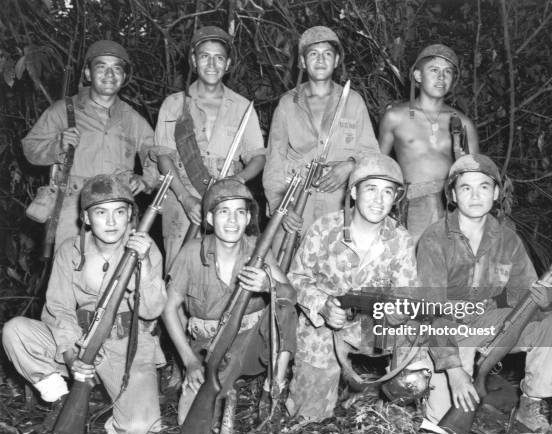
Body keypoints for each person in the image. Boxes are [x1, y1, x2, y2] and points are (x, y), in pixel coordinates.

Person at [2, 174, 167, 434]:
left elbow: (152, 310)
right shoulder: (70, 250)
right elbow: (59, 308)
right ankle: (61, 399)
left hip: (126, 343)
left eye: (120, 212)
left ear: (130, 216)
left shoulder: (145, 248)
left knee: (140, 429)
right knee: (15, 331)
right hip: (80, 338)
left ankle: (113, 409)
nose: (112, 222)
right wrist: (71, 355)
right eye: (101, 212)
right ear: (87, 218)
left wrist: (144, 265)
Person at [417, 154, 552, 433]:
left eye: (483, 187)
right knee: (439, 426)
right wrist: (455, 371)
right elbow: (429, 312)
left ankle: (530, 404)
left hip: (487, 322)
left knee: (550, 325)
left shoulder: (508, 239)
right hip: (443, 332)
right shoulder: (434, 239)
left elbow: (527, 293)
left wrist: (547, 301)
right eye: (465, 188)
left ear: (496, 193)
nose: (475, 196)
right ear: (453, 195)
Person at [286, 152, 428, 421]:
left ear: (395, 198)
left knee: (415, 374)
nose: (378, 199)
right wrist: (323, 306)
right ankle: (332, 394)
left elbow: (407, 294)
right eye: (371, 189)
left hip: (374, 328)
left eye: (388, 192)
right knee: (308, 418)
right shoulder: (324, 229)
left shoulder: (400, 239)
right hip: (326, 329)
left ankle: (381, 405)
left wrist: (400, 312)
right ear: (353, 192)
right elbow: (296, 278)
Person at [162, 178, 296, 425]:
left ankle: (274, 386)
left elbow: (290, 293)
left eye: (240, 213)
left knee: (284, 304)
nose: (233, 221)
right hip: (210, 344)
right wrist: (190, 361)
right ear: (211, 219)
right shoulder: (192, 252)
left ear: (247, 219)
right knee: (192, 424)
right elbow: (169, 309)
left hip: (254, 341)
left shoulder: (258, 248)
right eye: (224, 212)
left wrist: (269, 286)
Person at [22, 40, 159, 246]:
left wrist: (146, 180)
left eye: (117, 69)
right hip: (73, 208)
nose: (109, 75)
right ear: (87, 73)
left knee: (116, 274)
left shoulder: (132, 118)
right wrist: (57, 145)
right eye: (101, 67)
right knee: (69, 268)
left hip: (118, 208)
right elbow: (30, 147)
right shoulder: (63, 110)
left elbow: (156, 153)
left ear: (124, 77)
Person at [154, 26, 266, 268]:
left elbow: (257, 157)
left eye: (219, 58)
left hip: (228, 198)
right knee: (178, 269)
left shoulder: (243, 107)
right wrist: (185, 199)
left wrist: (239, 180)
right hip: (183, 196)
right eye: (205, 56)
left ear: (228, 65)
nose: (212, 64)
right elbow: (164, 157)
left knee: (226, 269)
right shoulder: (173, 105)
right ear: (194, 61)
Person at [262, 26, 379, 247]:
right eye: (313, 54)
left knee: (335, 266)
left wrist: (350, 166)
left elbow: (372, 153)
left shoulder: (352, 101)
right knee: (286, 265)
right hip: (295, 198)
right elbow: (274, 159)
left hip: (339, 199)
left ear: (336, 61)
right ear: (303, 62)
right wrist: (280, 205)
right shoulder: (288, 103)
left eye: (327, 54)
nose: (321, 60)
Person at [379, 44, 479, 242]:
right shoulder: (395, 117)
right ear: (417, 76)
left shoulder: (463, 122)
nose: (441, 77)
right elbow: (377, 168)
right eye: (434, 70)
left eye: (447, 72)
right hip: (411, 207)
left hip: (452, 207)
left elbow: (477, 175)